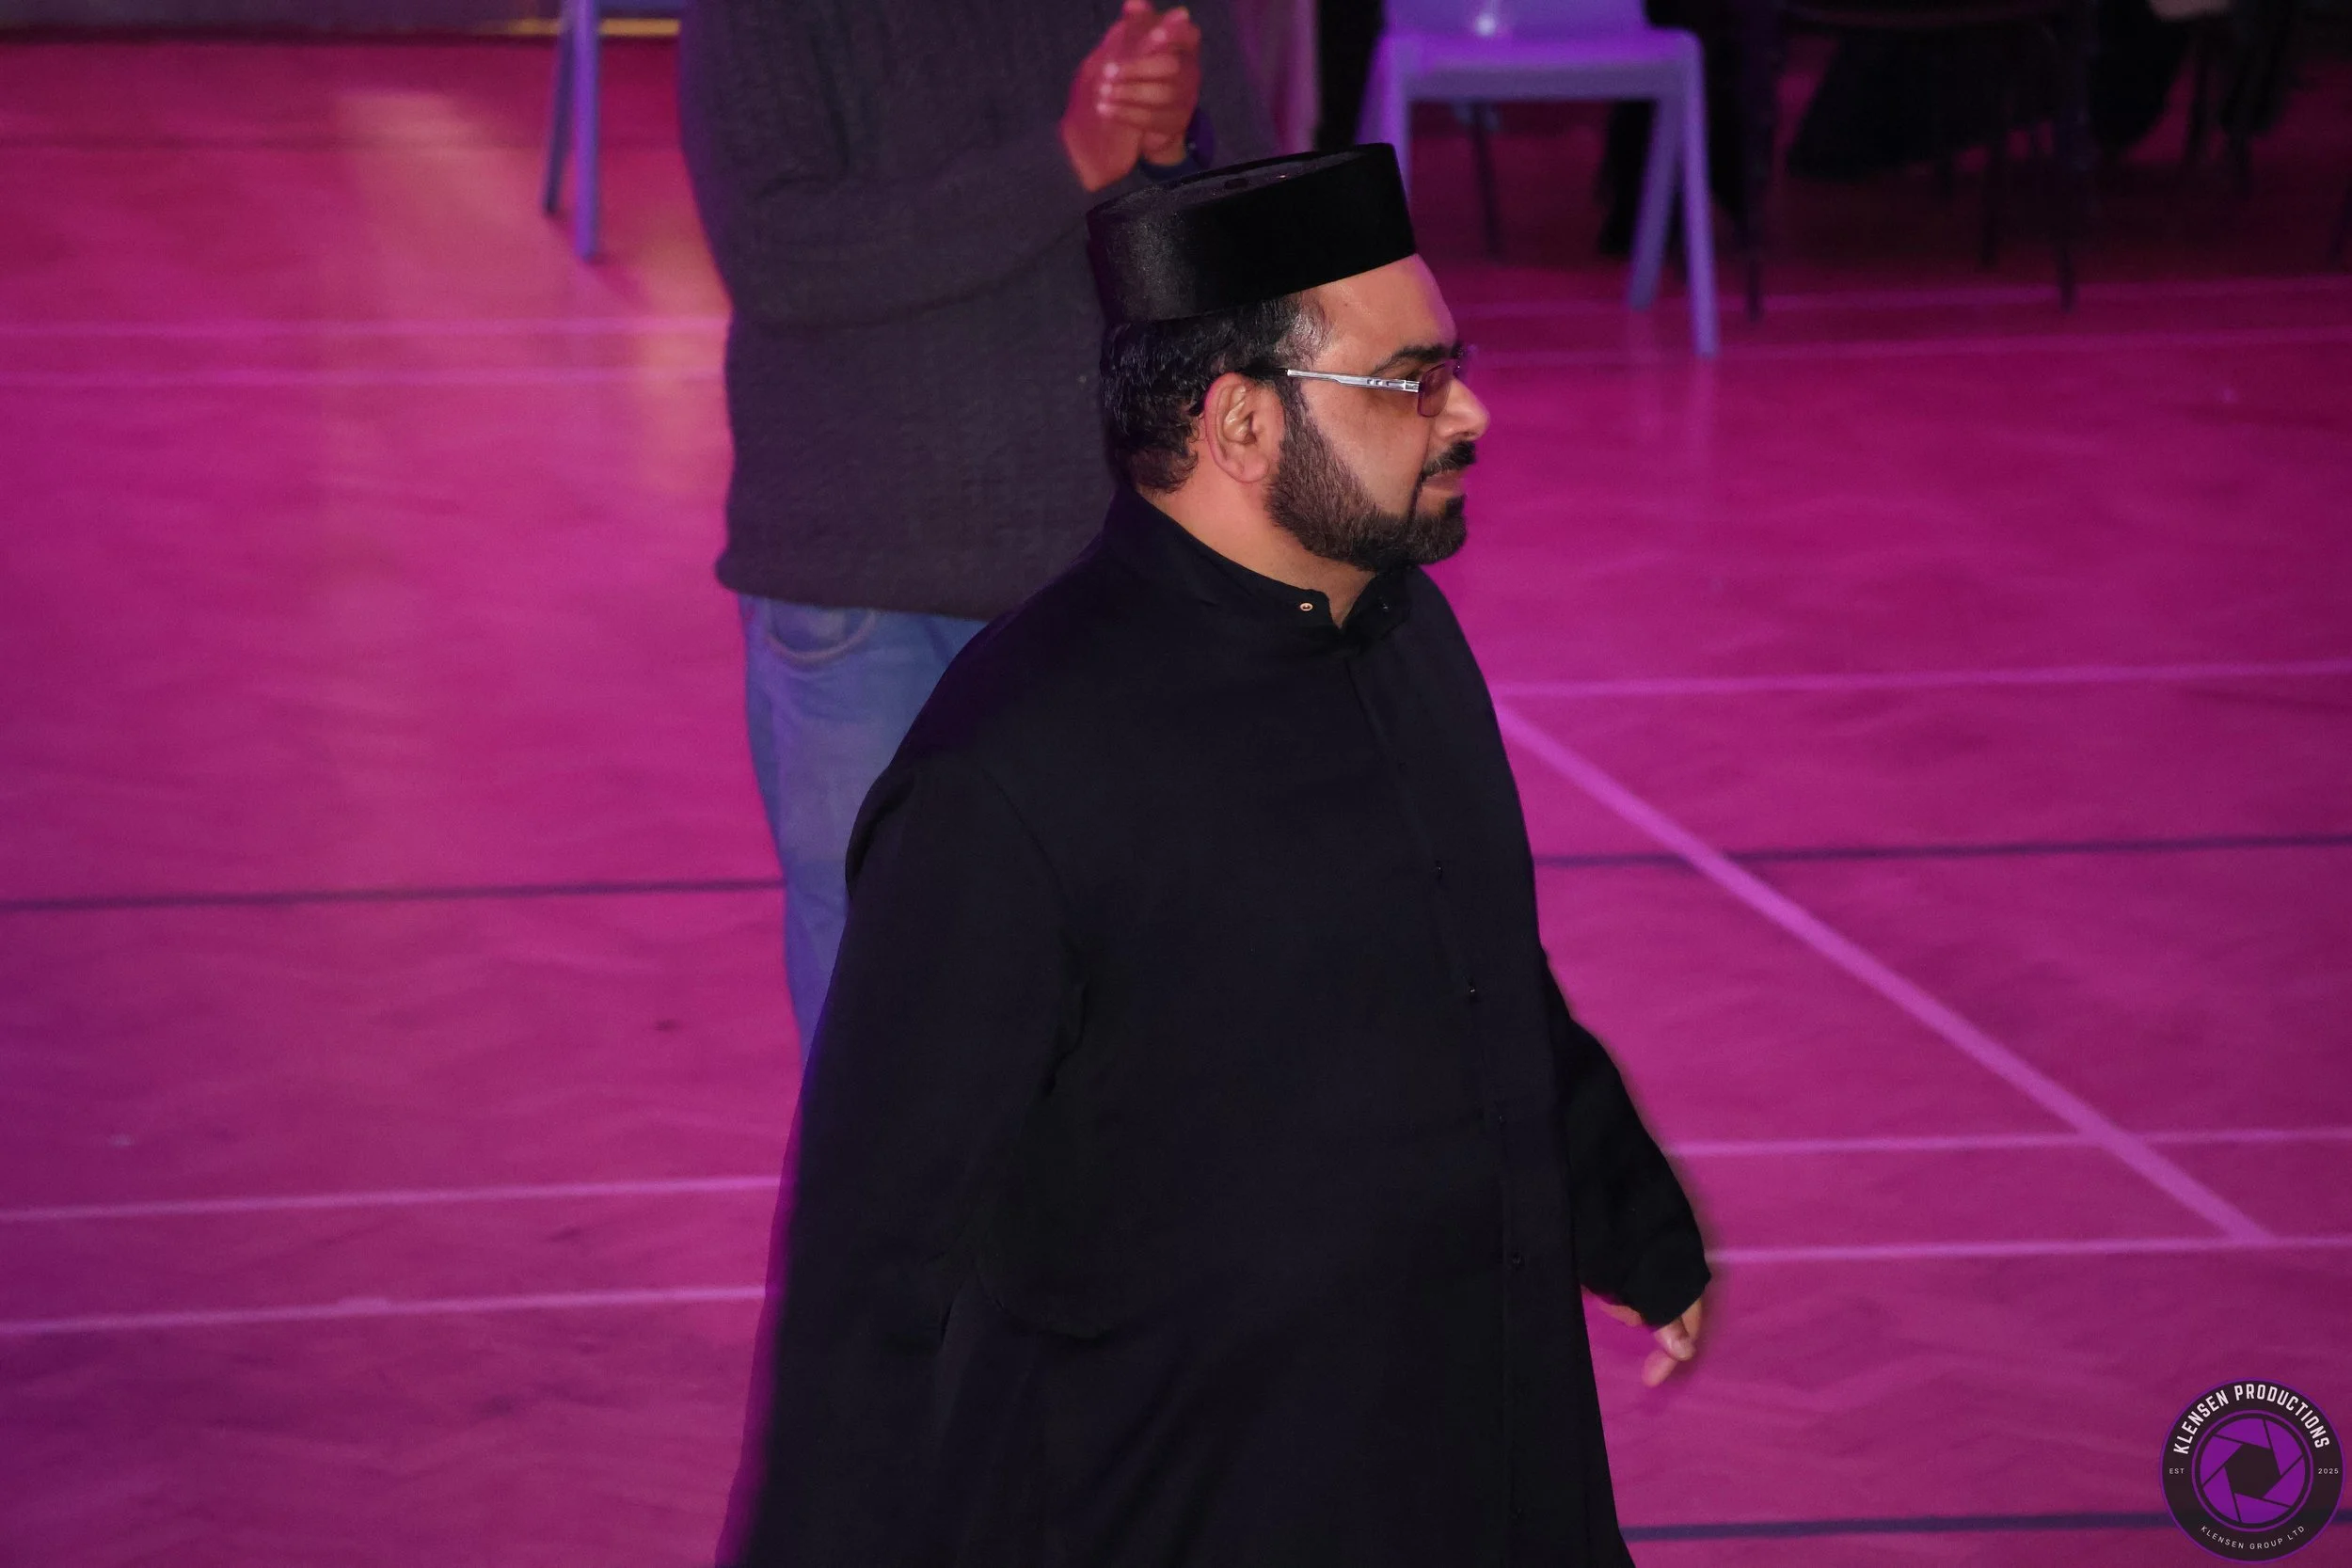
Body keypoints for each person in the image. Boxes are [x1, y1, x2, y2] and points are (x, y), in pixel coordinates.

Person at [720, 146, 1711, 1568]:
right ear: (1240, 423)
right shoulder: (1009, 773)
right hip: (1186, 1498)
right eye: (1413, 380)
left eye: (1458, 363)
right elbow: (875, 1258)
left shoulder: (1405, 635)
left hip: (1475, 1463)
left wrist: (1626, 1213)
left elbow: (1483, 981)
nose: (1471, 411)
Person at [677, 0, 1275, 1055]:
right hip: (863, 581)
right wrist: (1066, 161)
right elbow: (779, 255)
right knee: (886, 1027)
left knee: (1121, 1016)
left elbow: (1252, 252)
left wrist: (1182, 146)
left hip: (1114, 580)